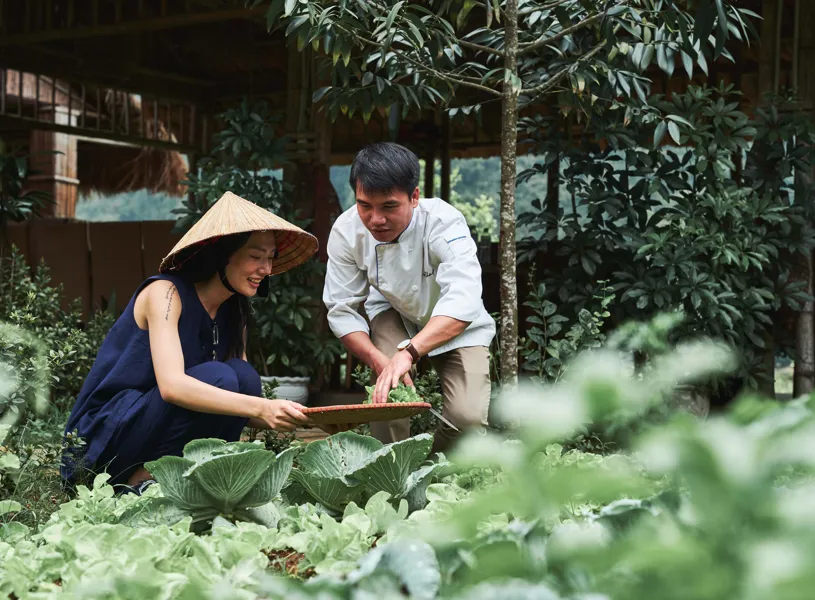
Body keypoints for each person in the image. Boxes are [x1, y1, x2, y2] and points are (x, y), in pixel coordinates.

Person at [61, 191, 322, 493]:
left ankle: (191, 475)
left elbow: (243, 405)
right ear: (221, 256)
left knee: (243, 377)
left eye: (270, 258)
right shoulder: (165, 294)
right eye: (255, 257)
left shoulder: (233, 310)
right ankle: (140, 480)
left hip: (153, 428)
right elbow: (173, 387)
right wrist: (263, 407)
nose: (265, 269)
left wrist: (309, 420)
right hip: (101, 442)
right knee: (220, 377)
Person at [323, 142, 495, 453]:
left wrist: (408, 354)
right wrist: (380, 361)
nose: (375, 219)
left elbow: (464, 297)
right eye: (365, 206)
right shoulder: (345, 231)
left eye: (389, 207)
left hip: (454, 319)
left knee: (467, 419)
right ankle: (389, 473)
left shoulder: (444, 221)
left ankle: (435, 470)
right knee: (386, 400)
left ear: (414, 197)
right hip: (392, 310)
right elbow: (341, 309)